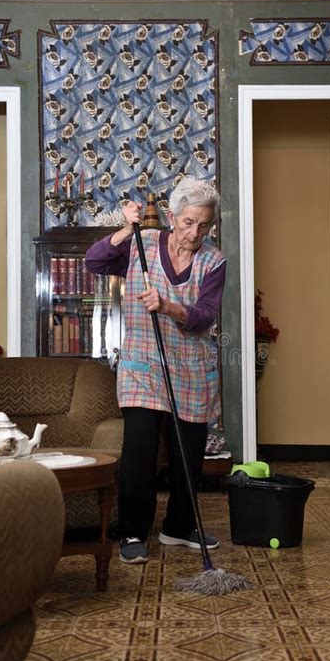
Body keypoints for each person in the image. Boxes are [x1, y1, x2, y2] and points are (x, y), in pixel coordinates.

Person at [85, 177, 226, 564]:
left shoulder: (213, 261)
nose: (195, 233)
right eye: (187, 223)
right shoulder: (142, 244)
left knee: (188, 454)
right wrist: (126, 230)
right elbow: (95, 261)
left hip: (193, 367)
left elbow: (204, 317)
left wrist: (167, 306)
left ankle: (178, 527)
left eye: (204, 225)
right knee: (140, 449)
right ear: (171, 216)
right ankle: (133, 530)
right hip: (142, 363)